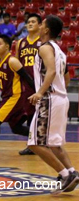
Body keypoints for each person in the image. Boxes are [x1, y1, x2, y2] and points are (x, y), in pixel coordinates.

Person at [27, 16, 79, 195]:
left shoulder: (45, 48)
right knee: (54, 143)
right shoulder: (59, 50)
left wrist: (41, 92)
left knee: (34, 143)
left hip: (49, 99)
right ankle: (72, 172)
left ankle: (65, 175)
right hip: (60, 98)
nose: (39, 26)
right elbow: (66, 76)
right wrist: (59, 89)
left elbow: (51, 71)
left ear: (47, 29)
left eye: (42, 24)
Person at [15, 13, 42, 156]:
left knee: (37, 114)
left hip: (39, 83)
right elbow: (17, 63)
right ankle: (32, 144)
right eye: (28, 22)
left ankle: (35, 144)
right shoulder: (20, 43)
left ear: (39, 25)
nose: (30, 24)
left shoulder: (43, 42)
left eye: (33, 22)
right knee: (29, 114)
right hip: (25, 83)